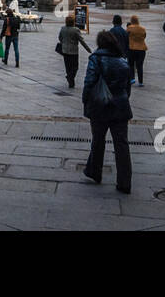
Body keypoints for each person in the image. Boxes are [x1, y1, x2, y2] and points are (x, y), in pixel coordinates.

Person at [80, 30, 133, 194]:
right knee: (122, 145)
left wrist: (85, 99)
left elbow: (89, 82)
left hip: (99, 106)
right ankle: (124, 182)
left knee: (98, 140)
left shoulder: (96, 59)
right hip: (120, 107)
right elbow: (127, 87)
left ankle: (95, 172)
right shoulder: (123, 61)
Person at [58, 15, 92, 89]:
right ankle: (70, 78)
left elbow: (60, 38)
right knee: (75, 67)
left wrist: (64, 43)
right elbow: (81, 40)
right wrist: (88, 49)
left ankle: (70, 80)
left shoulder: (63, 29)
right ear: (73, 22)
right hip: (73, 51)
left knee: (68, 66)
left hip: (65, 50)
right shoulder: (75, 30)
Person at [126, 15, 148, 87]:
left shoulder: (129, 28)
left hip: (132, 48)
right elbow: (144, 36)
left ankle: (132, 79)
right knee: (140, 65)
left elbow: (126, 36)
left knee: (131, 64)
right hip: (141, 49)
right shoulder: (142, 29)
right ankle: (140, 82)